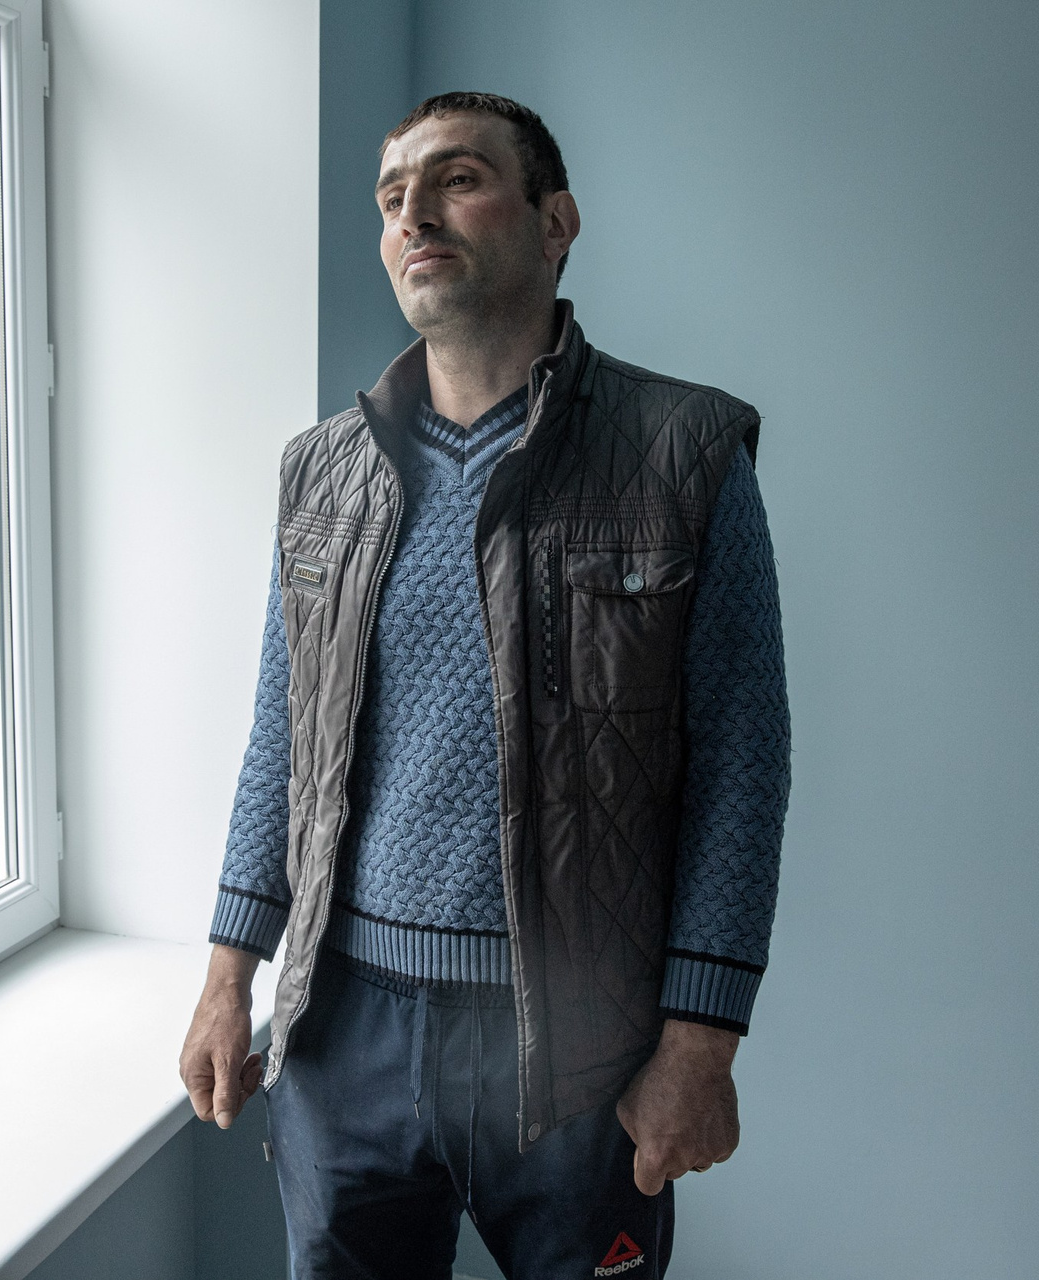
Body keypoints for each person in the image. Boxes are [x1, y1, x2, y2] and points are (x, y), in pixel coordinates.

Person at [179, 91, 789, 1279]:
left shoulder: (685, 452)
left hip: (581, 1050)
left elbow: (741, 763)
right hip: (343, 1037)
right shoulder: (321, 473)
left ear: (556, 222)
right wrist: (225, 974)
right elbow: (282, 742)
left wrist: (701, 1042)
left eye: (457, 179)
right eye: (391, 195)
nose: (412, 212)